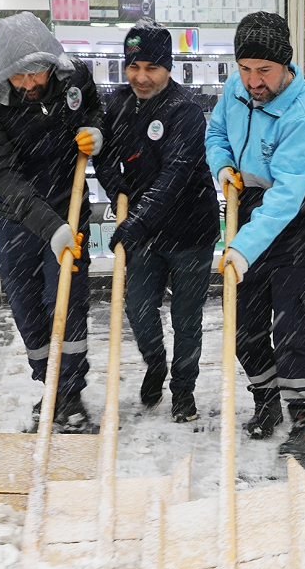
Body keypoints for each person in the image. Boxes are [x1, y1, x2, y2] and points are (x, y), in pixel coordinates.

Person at [0, 12, 104, 431]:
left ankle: (71, 391)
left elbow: (96, 109)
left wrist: (96, 131)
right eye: (18, 78)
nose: (28, 84)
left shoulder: (73, 76)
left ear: (50, 63)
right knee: (27, 306)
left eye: (36, 74)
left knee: (68, 300)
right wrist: (50, 226)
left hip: (67, 203)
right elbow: (3, 174)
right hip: (14, 214)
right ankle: (51, 385)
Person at [205, 11, 305, 462]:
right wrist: (222, 166)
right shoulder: (236, 89)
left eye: (264, 71)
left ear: (285, 66)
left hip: (294, 217)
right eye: (245, 69)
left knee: (290, 323)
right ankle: (266, 400)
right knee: (243, 324)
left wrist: (240, 248)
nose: (253, 81)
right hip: (248, 208)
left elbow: (286, 197)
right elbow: (216, 131)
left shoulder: (303, 112)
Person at [92, 22, 218, 423]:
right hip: (144, 233)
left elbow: (176, 176)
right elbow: (105, 159)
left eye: (151, 67)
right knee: (139, 308)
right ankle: (155, 362)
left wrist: (136, 222)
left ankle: (183, 389)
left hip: (190, 232)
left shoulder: (185, 110)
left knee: (186, 318)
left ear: (168, 67)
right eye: (133, 67)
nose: (141, 77)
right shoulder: (116, 105)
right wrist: (118, 194)